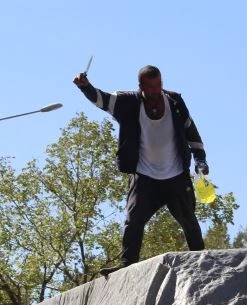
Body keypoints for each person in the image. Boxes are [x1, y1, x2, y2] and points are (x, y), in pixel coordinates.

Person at [74, 65, 210, 275]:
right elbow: (102, 99)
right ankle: (126, 265)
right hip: (145, 177)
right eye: (150, 87)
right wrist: (85, 87)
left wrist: (200, 160)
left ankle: (202, 260)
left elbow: (191, 131)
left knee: (189, 219)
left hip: (175, 175)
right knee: (133, 220)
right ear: (141, 87)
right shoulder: (127, 102)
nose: (156, 91)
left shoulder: (174, 102)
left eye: (158, 85)